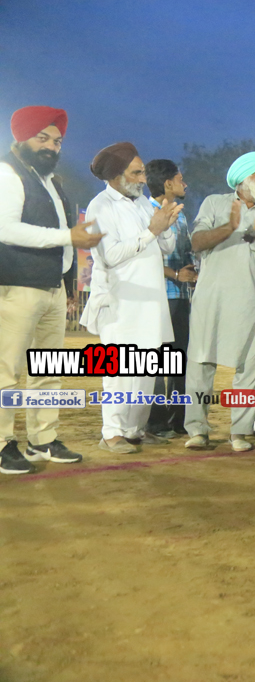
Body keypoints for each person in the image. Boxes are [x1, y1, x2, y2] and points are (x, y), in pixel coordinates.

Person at [0, 106, 99, 473]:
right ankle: (2, 444)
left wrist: (67, 282)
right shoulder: (7, 173)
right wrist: (66, 237)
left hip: (52, 288)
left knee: (47, 369)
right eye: (42, 138)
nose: (51, 147)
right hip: (16, 285)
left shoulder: (51, 181)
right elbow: (6, 228)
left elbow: (64, 239)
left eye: (56, 141)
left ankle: (42, 439)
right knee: (6, 371)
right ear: (21, 138)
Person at [184, 152, 255, 452]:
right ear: (243, 177)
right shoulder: (215, 203)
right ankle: (197, 430)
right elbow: (196, 242)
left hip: (249, 300)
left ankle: (240, 432)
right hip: (210, 298)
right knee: (201, 363)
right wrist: (229, 227)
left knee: (249, 366)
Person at [82, 143, 180, 453]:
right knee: (120, 370)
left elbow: (166, 247)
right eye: (136, 173)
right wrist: (152, 231)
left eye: (142, 172)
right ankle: (112, 432)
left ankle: (135, 430)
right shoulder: (100, 206)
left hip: (150, 300)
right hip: (121, 301)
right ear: (116, 175)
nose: (142, 178)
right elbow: (110, 255)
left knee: (146, 369)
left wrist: (165, 227)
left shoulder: (141, 203)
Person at [144, 159, 195, 440]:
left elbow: (186, 253)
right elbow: (144, 256)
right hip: (158, 296)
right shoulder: (146, 212)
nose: (184, 184)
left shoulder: (181, 216)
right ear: (167, 183)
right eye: (180, 179)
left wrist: (193, 270)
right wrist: (175, 274)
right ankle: (156, 422)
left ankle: (179, 420)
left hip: (181, 296)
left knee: (180, 360)